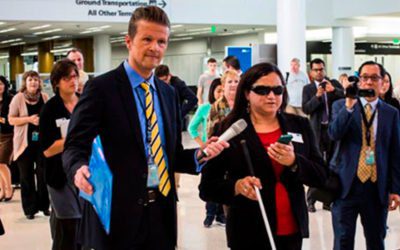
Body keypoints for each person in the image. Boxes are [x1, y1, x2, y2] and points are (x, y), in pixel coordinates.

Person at [62, 6, 227, 250]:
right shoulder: (101, 89)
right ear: (129, 41)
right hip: (116, 215)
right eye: (147, 39)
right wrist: (78, 168)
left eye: (162, 41)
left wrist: (199, 154)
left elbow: (169, 154)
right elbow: (74, 145)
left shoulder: (168, 94)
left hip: (160, 213)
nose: (155, 47)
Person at [199, 62, 327, 250]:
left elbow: (321, 175)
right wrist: (236, 186)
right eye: (262, 90)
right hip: (248, 230)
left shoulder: (299, 125)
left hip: (291, 230)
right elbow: (207, 188)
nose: (271, 96)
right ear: (246, 94)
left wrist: (294, 162)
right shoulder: (228, 129)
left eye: (277, 90)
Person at [329, 61, 400, 250]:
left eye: (374, 78)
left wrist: (395, 188)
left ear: (382, 82)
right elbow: (334, 134)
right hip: (345, 185)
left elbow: (395, 152)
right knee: (343, 241)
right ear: (359, 81)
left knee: (376, 240)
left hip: (377, 188)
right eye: (365, 77)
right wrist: (349, 106)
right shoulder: (341, 106)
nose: (369, 82)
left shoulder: (391, 113)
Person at [39, 59, 81, 250]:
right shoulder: (50, 109)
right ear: (56, 82)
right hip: (59, 175)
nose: (73, 81)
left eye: (75, 76)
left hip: (85, 172)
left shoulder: (85, 102)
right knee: (69, 225)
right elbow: (47, 150)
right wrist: (75, 139)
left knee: (80, 225)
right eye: (67, 78)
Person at [302, 58, 344, 212]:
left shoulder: (334, 84)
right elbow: (306, 109)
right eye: (316, 70)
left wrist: (335, 91)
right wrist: (318, 96)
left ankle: (328, 200)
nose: (319, 72)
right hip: (317, 131)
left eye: (321, 69)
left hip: (333, 130)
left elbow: (346, 98)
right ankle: (311, 200)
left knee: (332, 166)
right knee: (317, 166)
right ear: (311, 73)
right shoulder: (307, 89)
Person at [8, 70, 50, 219]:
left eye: (36, 80)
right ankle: (30, 209)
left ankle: (44, 206)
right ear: (25, 82)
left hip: (41, 143)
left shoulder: (44, 97)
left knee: (43, 175)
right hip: (23, 144)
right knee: (26, 177)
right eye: (30, 80)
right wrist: (29, 119)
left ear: (39, 83)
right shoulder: (17, 98)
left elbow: (50, 117)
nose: (33, 83)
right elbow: (11, 119)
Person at [188, 78, 223, 147]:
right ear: (212, 92)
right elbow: (191, 128)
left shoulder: (230, 107)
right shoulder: (204, 108)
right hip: (210, 147)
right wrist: (203, 145)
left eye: (224, 91)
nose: (222, 94)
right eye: (219, 91)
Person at [0, 76, 14, 201]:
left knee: (2, 162)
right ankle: (2, 189)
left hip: (7, 135)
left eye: (0, 84)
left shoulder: (10, 99)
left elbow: (11, 119)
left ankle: (9, 188)